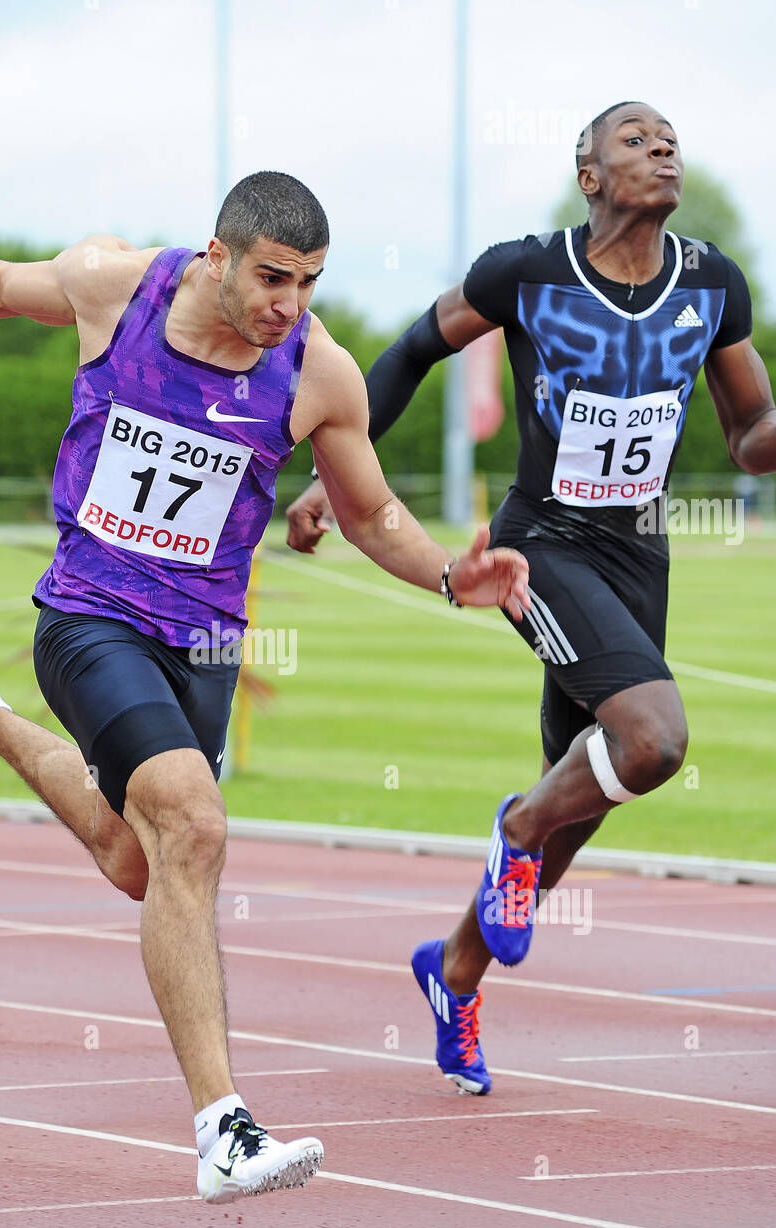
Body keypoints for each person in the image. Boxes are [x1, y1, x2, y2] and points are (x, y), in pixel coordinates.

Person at [0, 171, 530, 1197]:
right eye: (270, 278)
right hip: (90, 614)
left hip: (205, 644)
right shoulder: (113, 287)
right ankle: (224, 1129)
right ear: (218, 256)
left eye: (307, 284)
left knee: (142, 860)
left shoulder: (318, 372)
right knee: (198, 827)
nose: (287, 305)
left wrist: (447, 574)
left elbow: (369, 511)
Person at [287, 105, 776, 1095]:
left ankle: (454, 971)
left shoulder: (712, 286)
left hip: (640, 553)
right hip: (540, 544)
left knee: (585, 796)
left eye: (671, 138)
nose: (664, 149)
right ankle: (512, 829)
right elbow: (415, 349)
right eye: (636, 140)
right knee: (652, 742)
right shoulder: (528, 272)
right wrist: (338, 477)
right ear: (590, 176)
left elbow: (751, 428)